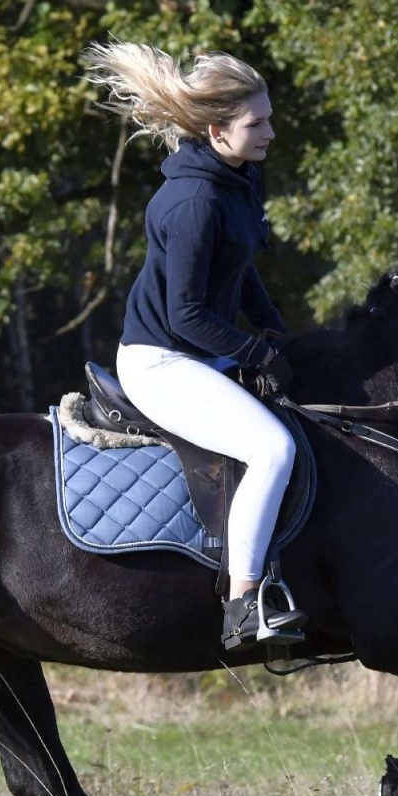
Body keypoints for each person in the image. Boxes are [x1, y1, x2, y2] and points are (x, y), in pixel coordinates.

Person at [82, 40, 306, 652]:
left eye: (267, 118)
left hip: (201, 351)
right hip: (163, 362)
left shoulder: (238, 177)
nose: (271, 133)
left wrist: (279, 333)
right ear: (216, 130)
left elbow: (241, 270)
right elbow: (185, 317)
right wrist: (257, 354)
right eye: (257, 123)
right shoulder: (194, 202)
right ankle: (242, 604)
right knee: (272, 448)